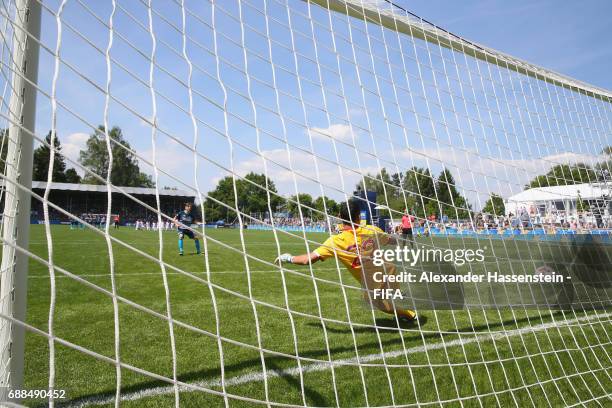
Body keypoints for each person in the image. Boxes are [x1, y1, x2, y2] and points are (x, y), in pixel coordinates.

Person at [274, 199, 416, 322]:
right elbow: (392, 241)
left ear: (339, 216)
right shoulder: (371, 230)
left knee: (373, 301)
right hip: (389, 271)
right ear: (359, 217)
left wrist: (288, 258)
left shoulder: (335, 242)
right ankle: (398, 296)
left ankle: (408, 313)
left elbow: (308, 260)